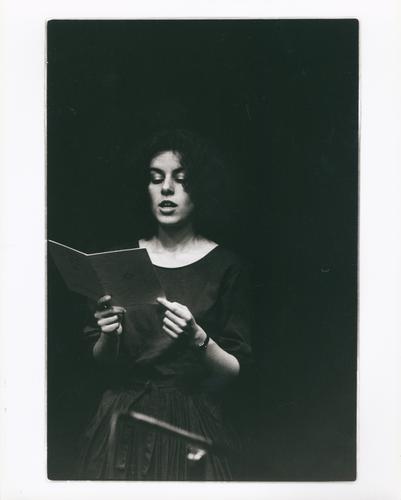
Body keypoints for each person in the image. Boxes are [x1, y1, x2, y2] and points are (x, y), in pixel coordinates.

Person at [76, 129, 253, 480]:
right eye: (156, 179)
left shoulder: (226, 265)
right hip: (121, 422)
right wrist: (108, 334)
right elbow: (102, 364)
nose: (167, 189)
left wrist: (197, 337)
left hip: (191, 422)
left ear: (202, 189)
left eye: (181, 180)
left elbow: (232, 372)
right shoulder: (119, 261)